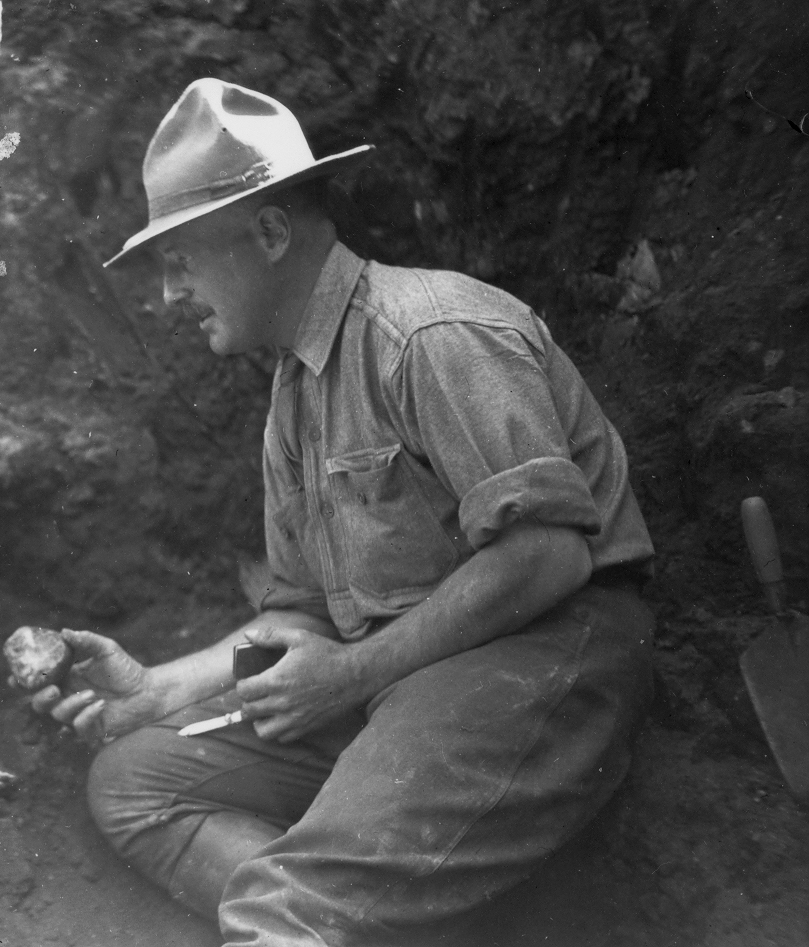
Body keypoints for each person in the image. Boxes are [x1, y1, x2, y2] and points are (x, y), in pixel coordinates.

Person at [32, 78, 655, 946]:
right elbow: (302, 613)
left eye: (181, 260)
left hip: (538, 652)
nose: (170, 294)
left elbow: (549, 553)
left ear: (269, 233)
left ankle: (305, 912)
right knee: (134, 780)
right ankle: (356, 913)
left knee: (282, 910)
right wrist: (156, 690)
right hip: (400, 671)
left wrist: (352, 675)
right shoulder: (292, 398)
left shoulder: (429, 334)